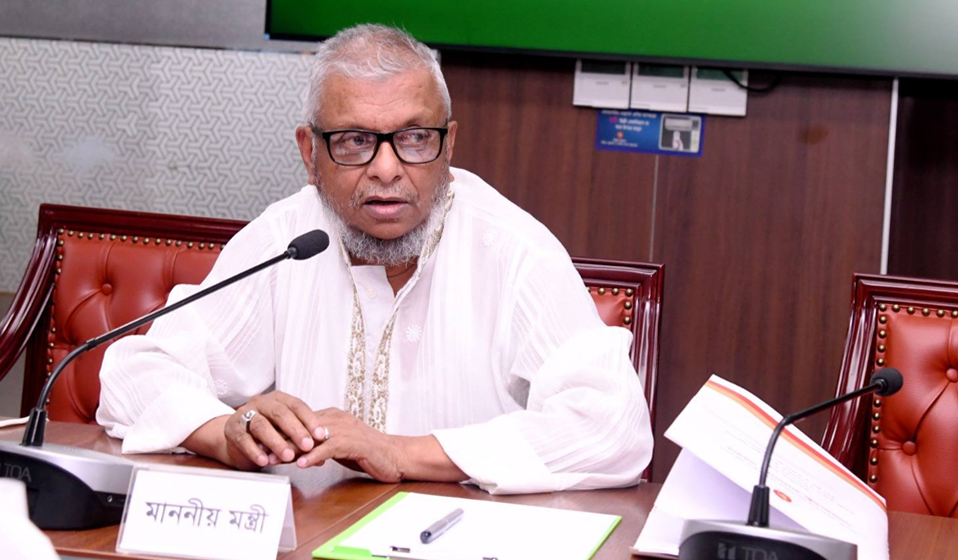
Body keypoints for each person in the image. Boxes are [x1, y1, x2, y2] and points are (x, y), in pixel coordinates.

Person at [97, 24, 653, 494]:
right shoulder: (287, 237)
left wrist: (399, 452)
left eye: (414, 138)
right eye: (355, 141)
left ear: (449, 145)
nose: (387, 169)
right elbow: (132, 374)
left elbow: (615, 428)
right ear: (309, 153)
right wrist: (226, 434)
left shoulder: (512, 249)